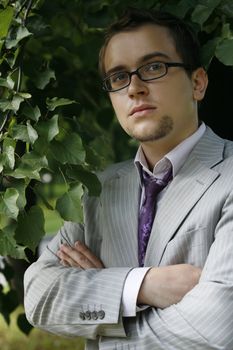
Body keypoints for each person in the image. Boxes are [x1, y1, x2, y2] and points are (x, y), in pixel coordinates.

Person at [24, 7, 233, 350]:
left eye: (153, 67)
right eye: (119, 77)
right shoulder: (97, 191)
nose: (134, 88)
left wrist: (101, 295)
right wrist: (140, 286)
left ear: (198, 82)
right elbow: (38, 296)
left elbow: (216, 330)